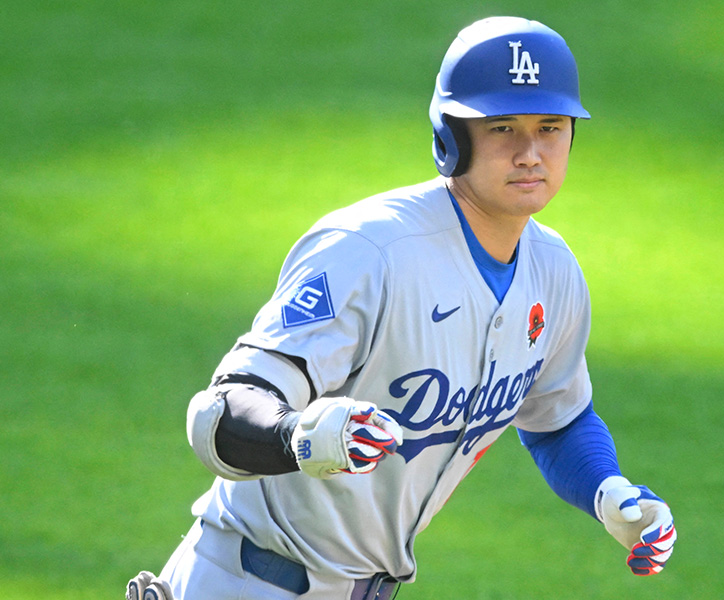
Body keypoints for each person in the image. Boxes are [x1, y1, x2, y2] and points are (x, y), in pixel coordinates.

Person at [127, 16, 677, 600]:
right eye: (501, 128)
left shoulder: (554, 272)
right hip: (245, 582)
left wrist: (607, 490)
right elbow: (217, 417)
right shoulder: (369, 252)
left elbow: (558, 420)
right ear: (452, 137)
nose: (530, 153)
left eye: (549, 126)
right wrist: (299, 436)